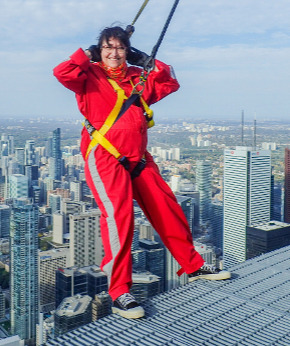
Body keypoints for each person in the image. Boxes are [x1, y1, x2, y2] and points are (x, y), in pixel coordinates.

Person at [53, 26, 230, 320]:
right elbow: (63, 72)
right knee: (120, 221)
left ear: (127, 51)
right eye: (108, 47)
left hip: (139, 159)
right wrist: (87, 55)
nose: (114, 53)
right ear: (99, 50)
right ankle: (119, 291)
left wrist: (145, 59)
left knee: (167, 209)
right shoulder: (89, 76)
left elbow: (169, 82)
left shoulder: (137, 78)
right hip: (106, 157)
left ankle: (194, 265)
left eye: (121, 48)